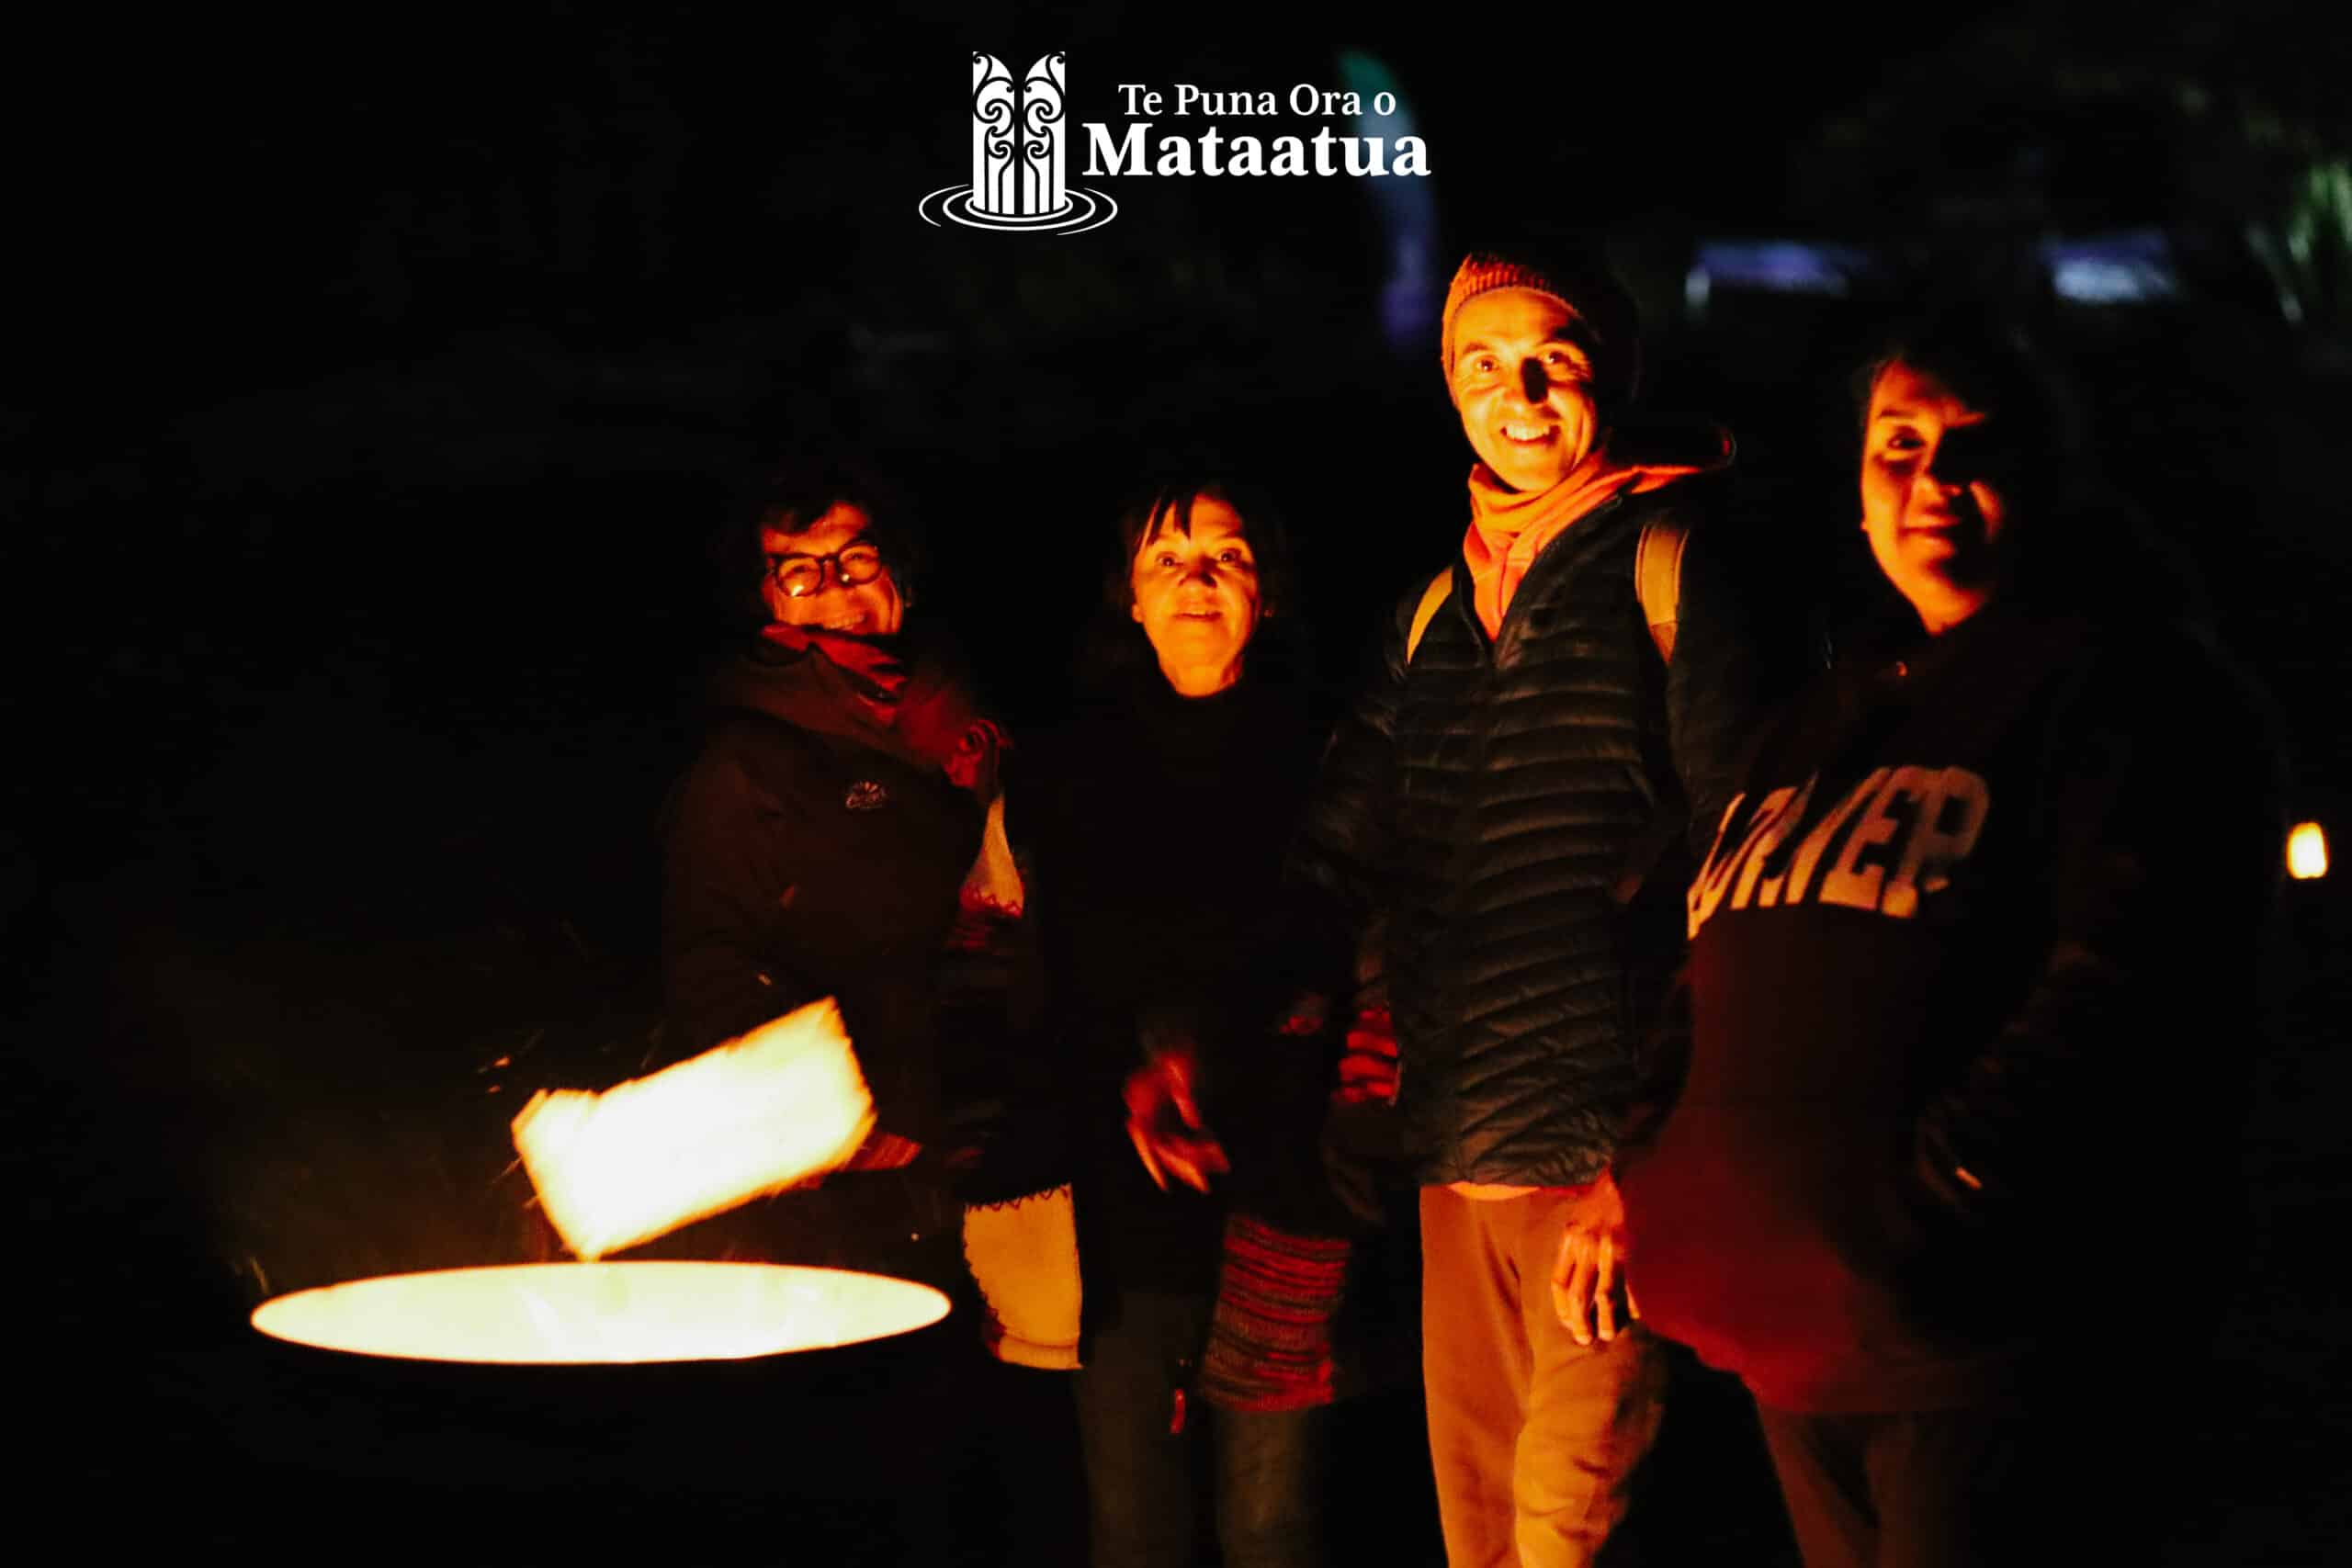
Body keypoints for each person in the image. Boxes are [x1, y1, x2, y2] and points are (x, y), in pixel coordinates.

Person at [1614, 316, 2283, 1566]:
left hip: (1978, 1347)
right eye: (1898, 444)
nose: (1931, 476)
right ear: (1858, 498)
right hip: (1795, 1344)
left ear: (2049, 468)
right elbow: (1706, 958)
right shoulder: (1821, 717)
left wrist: (1937, 1191)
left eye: (1974, 442)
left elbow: (2128, 969)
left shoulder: (2125, 692)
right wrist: (1655, 1161)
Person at [1283, 241, 1768, 1567]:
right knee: (1482, 1538)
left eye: (1555, 361)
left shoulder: (1677, 566)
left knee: (1573, 1529)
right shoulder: (1429, 611)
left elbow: (1749, 867)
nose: (1524, 394)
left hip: (1601, 1165)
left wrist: (1652, 1144)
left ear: (1610, 375)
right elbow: (1340, 854)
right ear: (1450, 390)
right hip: (1456, 1158)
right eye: (1485, 366)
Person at [989, 476, 1344, 1568]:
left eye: (1225, 557)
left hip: (1292, 1189)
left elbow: (1336, 941)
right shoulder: (1059, 768)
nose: (1196, 580)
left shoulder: (1331, 753)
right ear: (1129, 600)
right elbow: (1044, 966)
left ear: (1267, 592)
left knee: (1273, 1524)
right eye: (1167, 560)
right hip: (1113, 1198)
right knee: (1131, 1517)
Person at [659, 454, 1010, 1289]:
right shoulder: (749, 762)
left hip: (996, 1142)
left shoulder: (964, 729)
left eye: (855, 558)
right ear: (767, 595)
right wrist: (829, 1116)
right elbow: (707, 967)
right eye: (799, 571)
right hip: (845, 1187)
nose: (834, 589)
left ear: (902, 574)